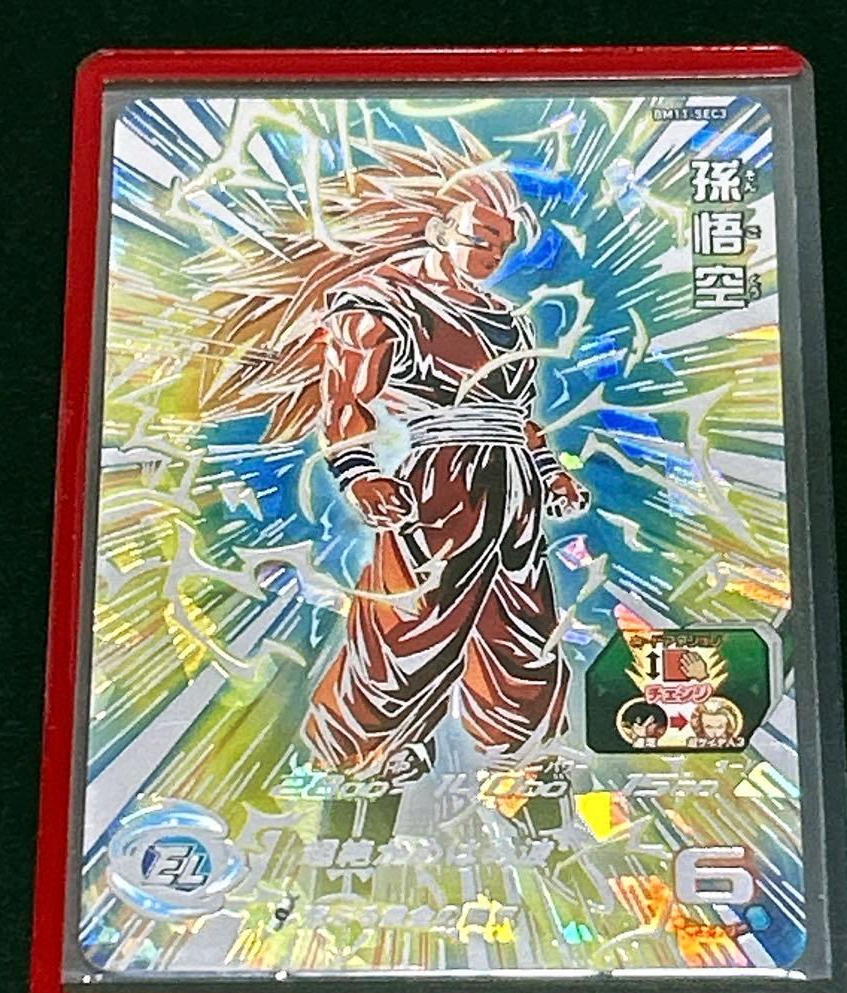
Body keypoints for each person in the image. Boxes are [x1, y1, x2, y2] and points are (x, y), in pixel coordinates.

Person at [194, 126, 588, 778]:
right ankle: (357, 751)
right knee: (412, 622)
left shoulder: (507, 318)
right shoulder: (381, 302)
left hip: (513, 487)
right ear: (439, 229)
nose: (492, 254)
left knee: (523, 624)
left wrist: (551, 473)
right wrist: (359, 473)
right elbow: (346, 398)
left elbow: (521, 415)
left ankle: (522, 752)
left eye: (502, 245)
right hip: (438, 480)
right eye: (480, 238)